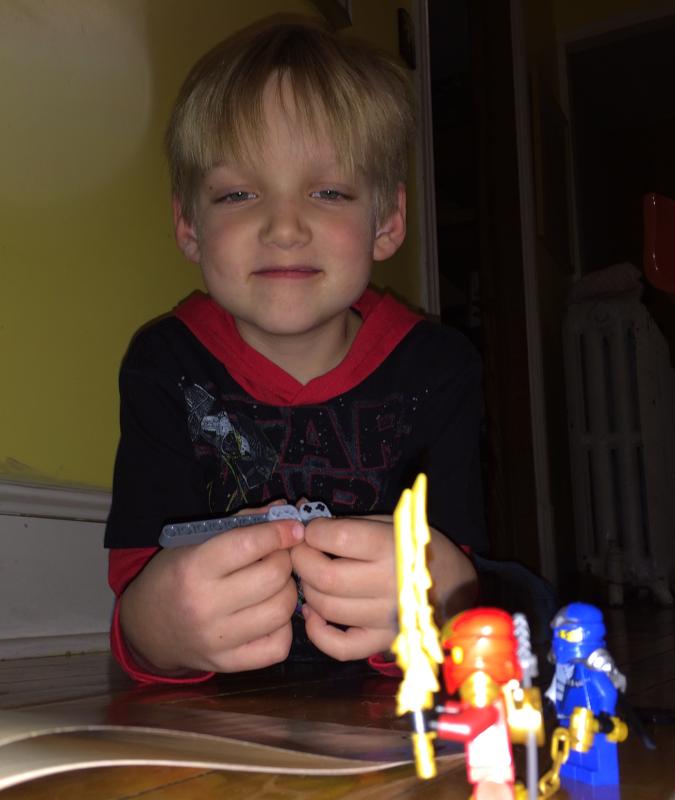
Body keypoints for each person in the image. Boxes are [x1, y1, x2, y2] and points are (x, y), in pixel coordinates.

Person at [104, 17, 485, 684]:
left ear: (388, 221)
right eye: (238, 194)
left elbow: (474, 589)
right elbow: (136, 591)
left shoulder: (441, 370)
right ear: (189, 225)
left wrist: (444, 598)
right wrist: (160, 627)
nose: (283, 228)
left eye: (329, 191)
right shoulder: (162, 367)